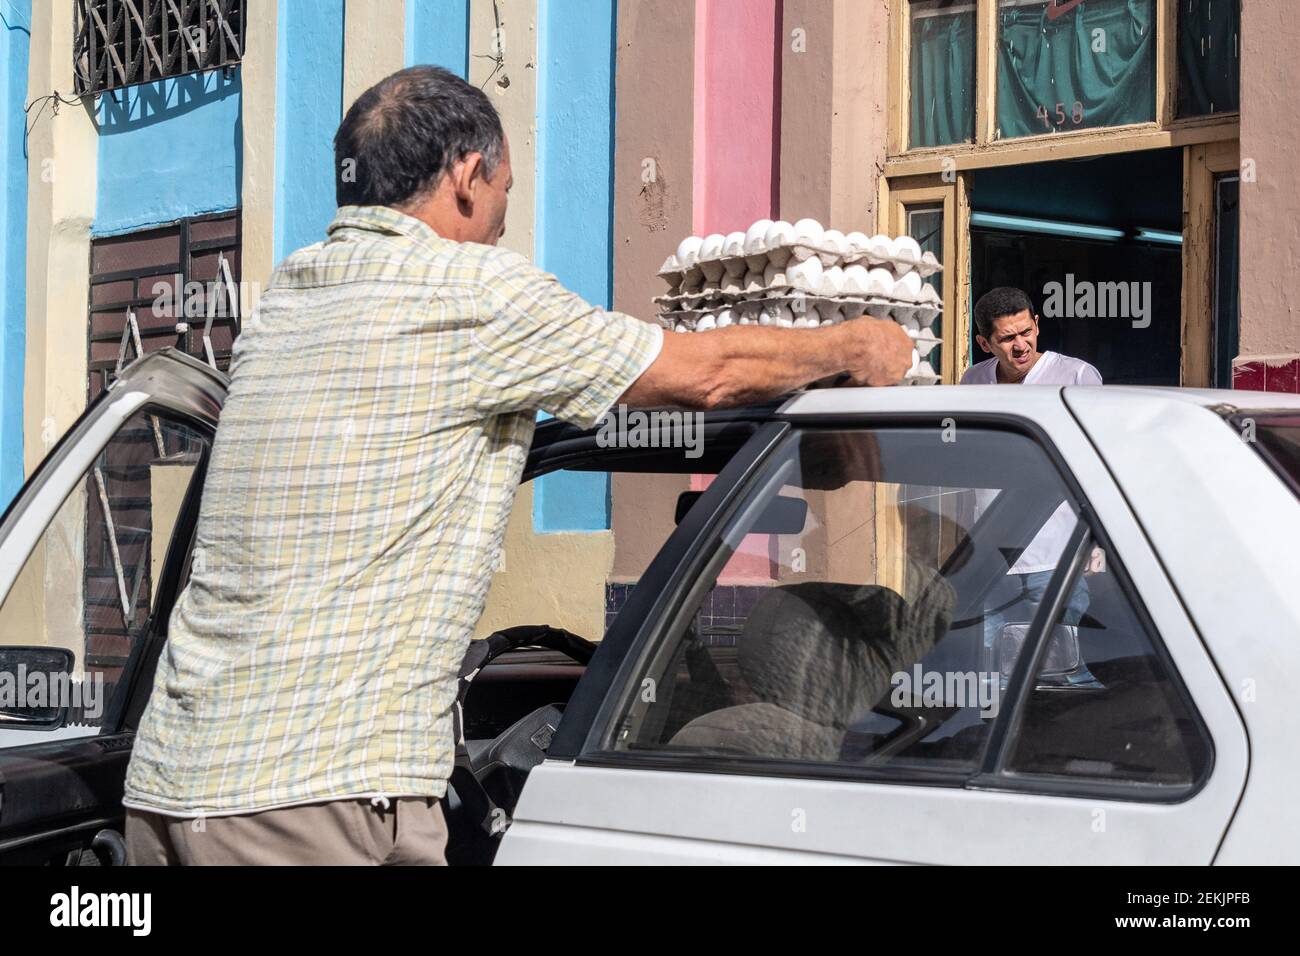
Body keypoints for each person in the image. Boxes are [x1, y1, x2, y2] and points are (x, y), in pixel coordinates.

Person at [121, 66, 913, 865]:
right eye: (504, 188)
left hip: (166, 782)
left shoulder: (283, 300)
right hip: (315, 798)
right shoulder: (472, 292)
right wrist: (849, 344)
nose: (503, 219)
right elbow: (701, 375)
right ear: (468, 176)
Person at [960, 287, 1101, 689]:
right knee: (991, 675)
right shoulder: (973, 382)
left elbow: (1093, 464)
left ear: (1037, 325)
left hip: (1056, 556)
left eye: (1026, 332)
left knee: (1065, 672)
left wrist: (1096, 540)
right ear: (985, 342)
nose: (1020, 345)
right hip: (991, 559)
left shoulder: (1075, 377)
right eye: (1007, 338)